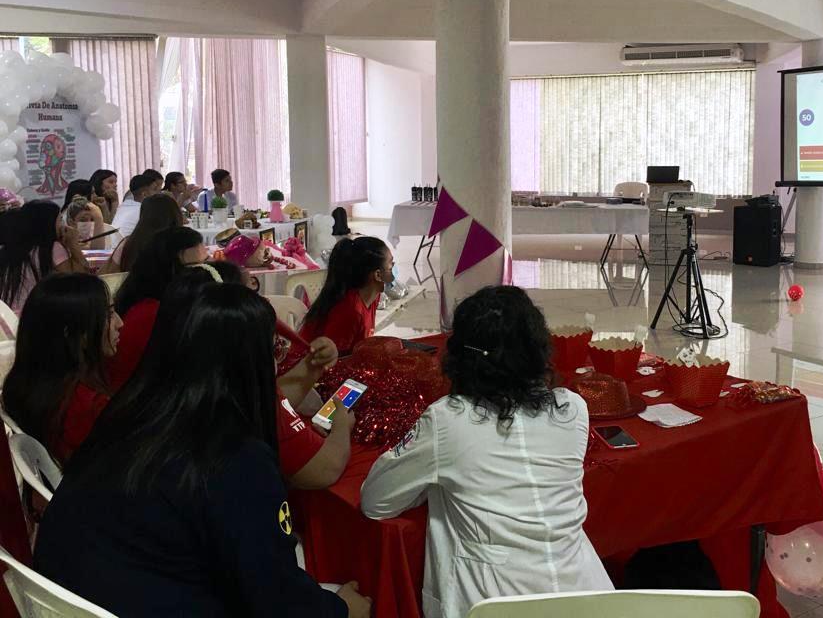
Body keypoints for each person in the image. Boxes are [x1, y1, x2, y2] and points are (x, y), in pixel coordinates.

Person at [33, 284, 371, 618]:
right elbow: (278, 597)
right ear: (245, 364)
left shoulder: (128, 414)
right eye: (274, 351)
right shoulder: (233, 458)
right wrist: (341, 608)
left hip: (66, 598)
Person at [361, 285, 611, 618]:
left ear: (461, 356)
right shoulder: (572, 408)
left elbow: (376, 501)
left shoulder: (449, 419)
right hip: (586, 597)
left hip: (492, 603)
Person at [178, 261, 354, 490]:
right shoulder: (242, 405)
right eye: (271, 348)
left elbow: (272, 401)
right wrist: (342, 426)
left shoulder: (189, 384)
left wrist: (312, 365)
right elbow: (324, 469)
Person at [1, 273, 123, 464]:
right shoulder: (86, 406)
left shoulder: (24, 386)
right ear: (75, 334)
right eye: (108, 315)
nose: (120, 323)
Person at [110, 227, 206, 388]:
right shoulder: (152, 313)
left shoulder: (149, 302)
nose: (204, 273)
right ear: (170, 269)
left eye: (206, 264)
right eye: (196, 267)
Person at [300, 237, 393, 355]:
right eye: (391, 267)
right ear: (378, 275)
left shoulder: (373, 297)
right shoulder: (350, 311)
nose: (393, 273)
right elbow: (333, 363)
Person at [0, 200, 89, 313]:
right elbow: (80, 282)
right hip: (35, 317)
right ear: (48, 223)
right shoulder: (53, 249)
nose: (63, 225)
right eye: (60, 219)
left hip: (7, 318)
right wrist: (73, 244)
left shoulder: (11, 249)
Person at [100, 193, 183, 275]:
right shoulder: (184, 243)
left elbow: (108, 275)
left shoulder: (129, 243)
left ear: (143, 215)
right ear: (176, 215)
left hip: (135, 287)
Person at [111, 174, 154, 239]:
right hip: (123, 247)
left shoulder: (124, 206)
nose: (159, 193)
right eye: (155, 189)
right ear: (144, 194)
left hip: (113, 246)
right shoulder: (144, 210)